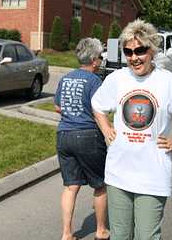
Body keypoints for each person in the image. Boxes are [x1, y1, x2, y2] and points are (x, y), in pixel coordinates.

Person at [91, 19, 172, 240]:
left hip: (153, 177)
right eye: (128, 52)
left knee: (147, 236)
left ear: (152, 50)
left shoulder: (170, 83)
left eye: (140, 50)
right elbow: (97, 105)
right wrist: (106, 126)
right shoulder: (116, 79)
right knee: (119, 236)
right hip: (118, 174)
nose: (134, 57)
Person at [54, 37, 110, 240]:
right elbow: (99, 111)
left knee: (71, 186)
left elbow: (58, 106)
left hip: (64, 135)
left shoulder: (66, 78)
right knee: (100, 185)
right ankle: (101, 230)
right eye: (101, 57)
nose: (102, 60)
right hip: (88, 135)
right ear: (94, 60)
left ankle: (67, 233)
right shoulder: (95, 81)